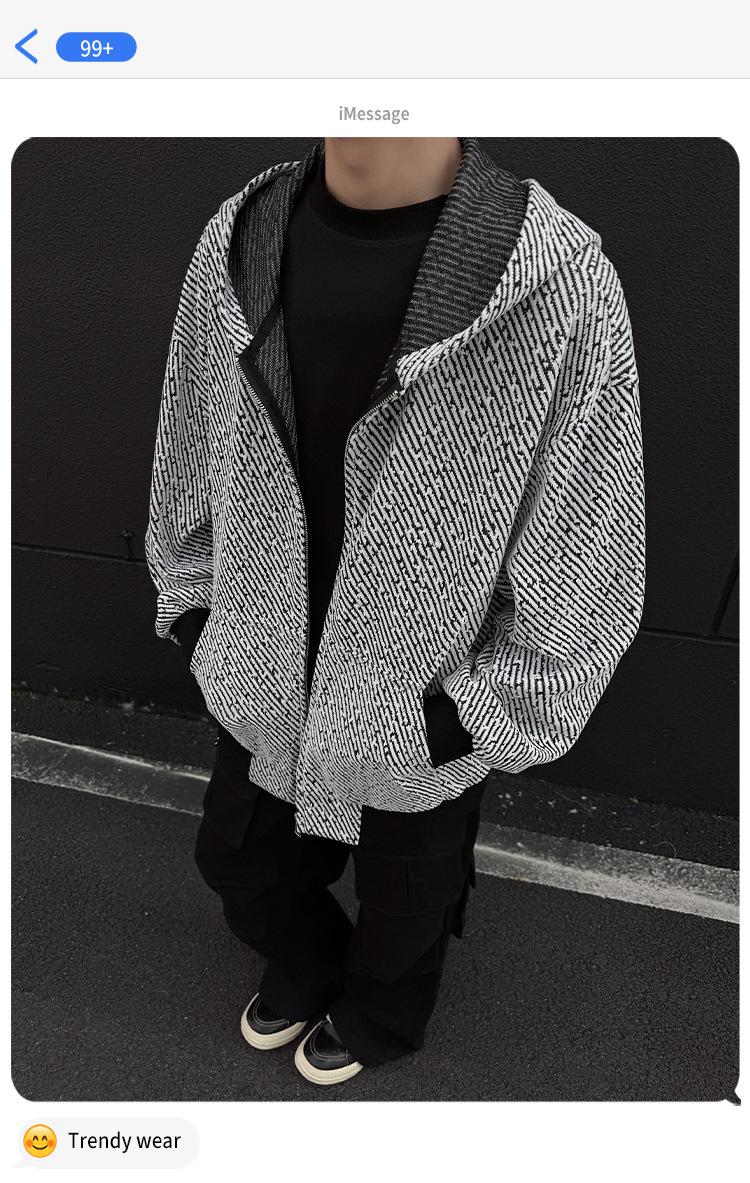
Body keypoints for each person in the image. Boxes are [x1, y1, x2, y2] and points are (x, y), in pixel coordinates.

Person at [145, 136, 645, 1086]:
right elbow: (186, 442)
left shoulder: (559, 281)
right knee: (241, 859)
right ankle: (306, 962)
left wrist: (474, 715)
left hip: (422, 695)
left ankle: (380, 1012)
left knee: (408, 901)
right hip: (265, 664)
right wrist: (200, 617)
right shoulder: (241, 238)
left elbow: (590, 539)